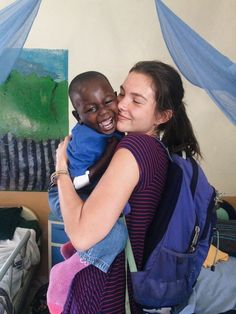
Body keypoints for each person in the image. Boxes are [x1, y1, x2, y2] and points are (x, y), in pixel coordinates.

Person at [53, 61, 202, 314]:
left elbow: (81, 235)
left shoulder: (134, 149)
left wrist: (60, 168)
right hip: (122, 288)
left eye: (137, 100)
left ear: (162, 116)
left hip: (100, 291)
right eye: (121, 93)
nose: (121, 105)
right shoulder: (158, 151)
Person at [47, 71, 130, 314]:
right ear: (78, 116)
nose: (103, 113)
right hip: (66, 192)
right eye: (92, 109)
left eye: (107, 102)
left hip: (82, 192)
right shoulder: (85, 140)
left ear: (115, 97)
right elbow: (79, 182)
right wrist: (111, 152)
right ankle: (64, 272)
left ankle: (74, 250)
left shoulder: (114, 127)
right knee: (116, 234)